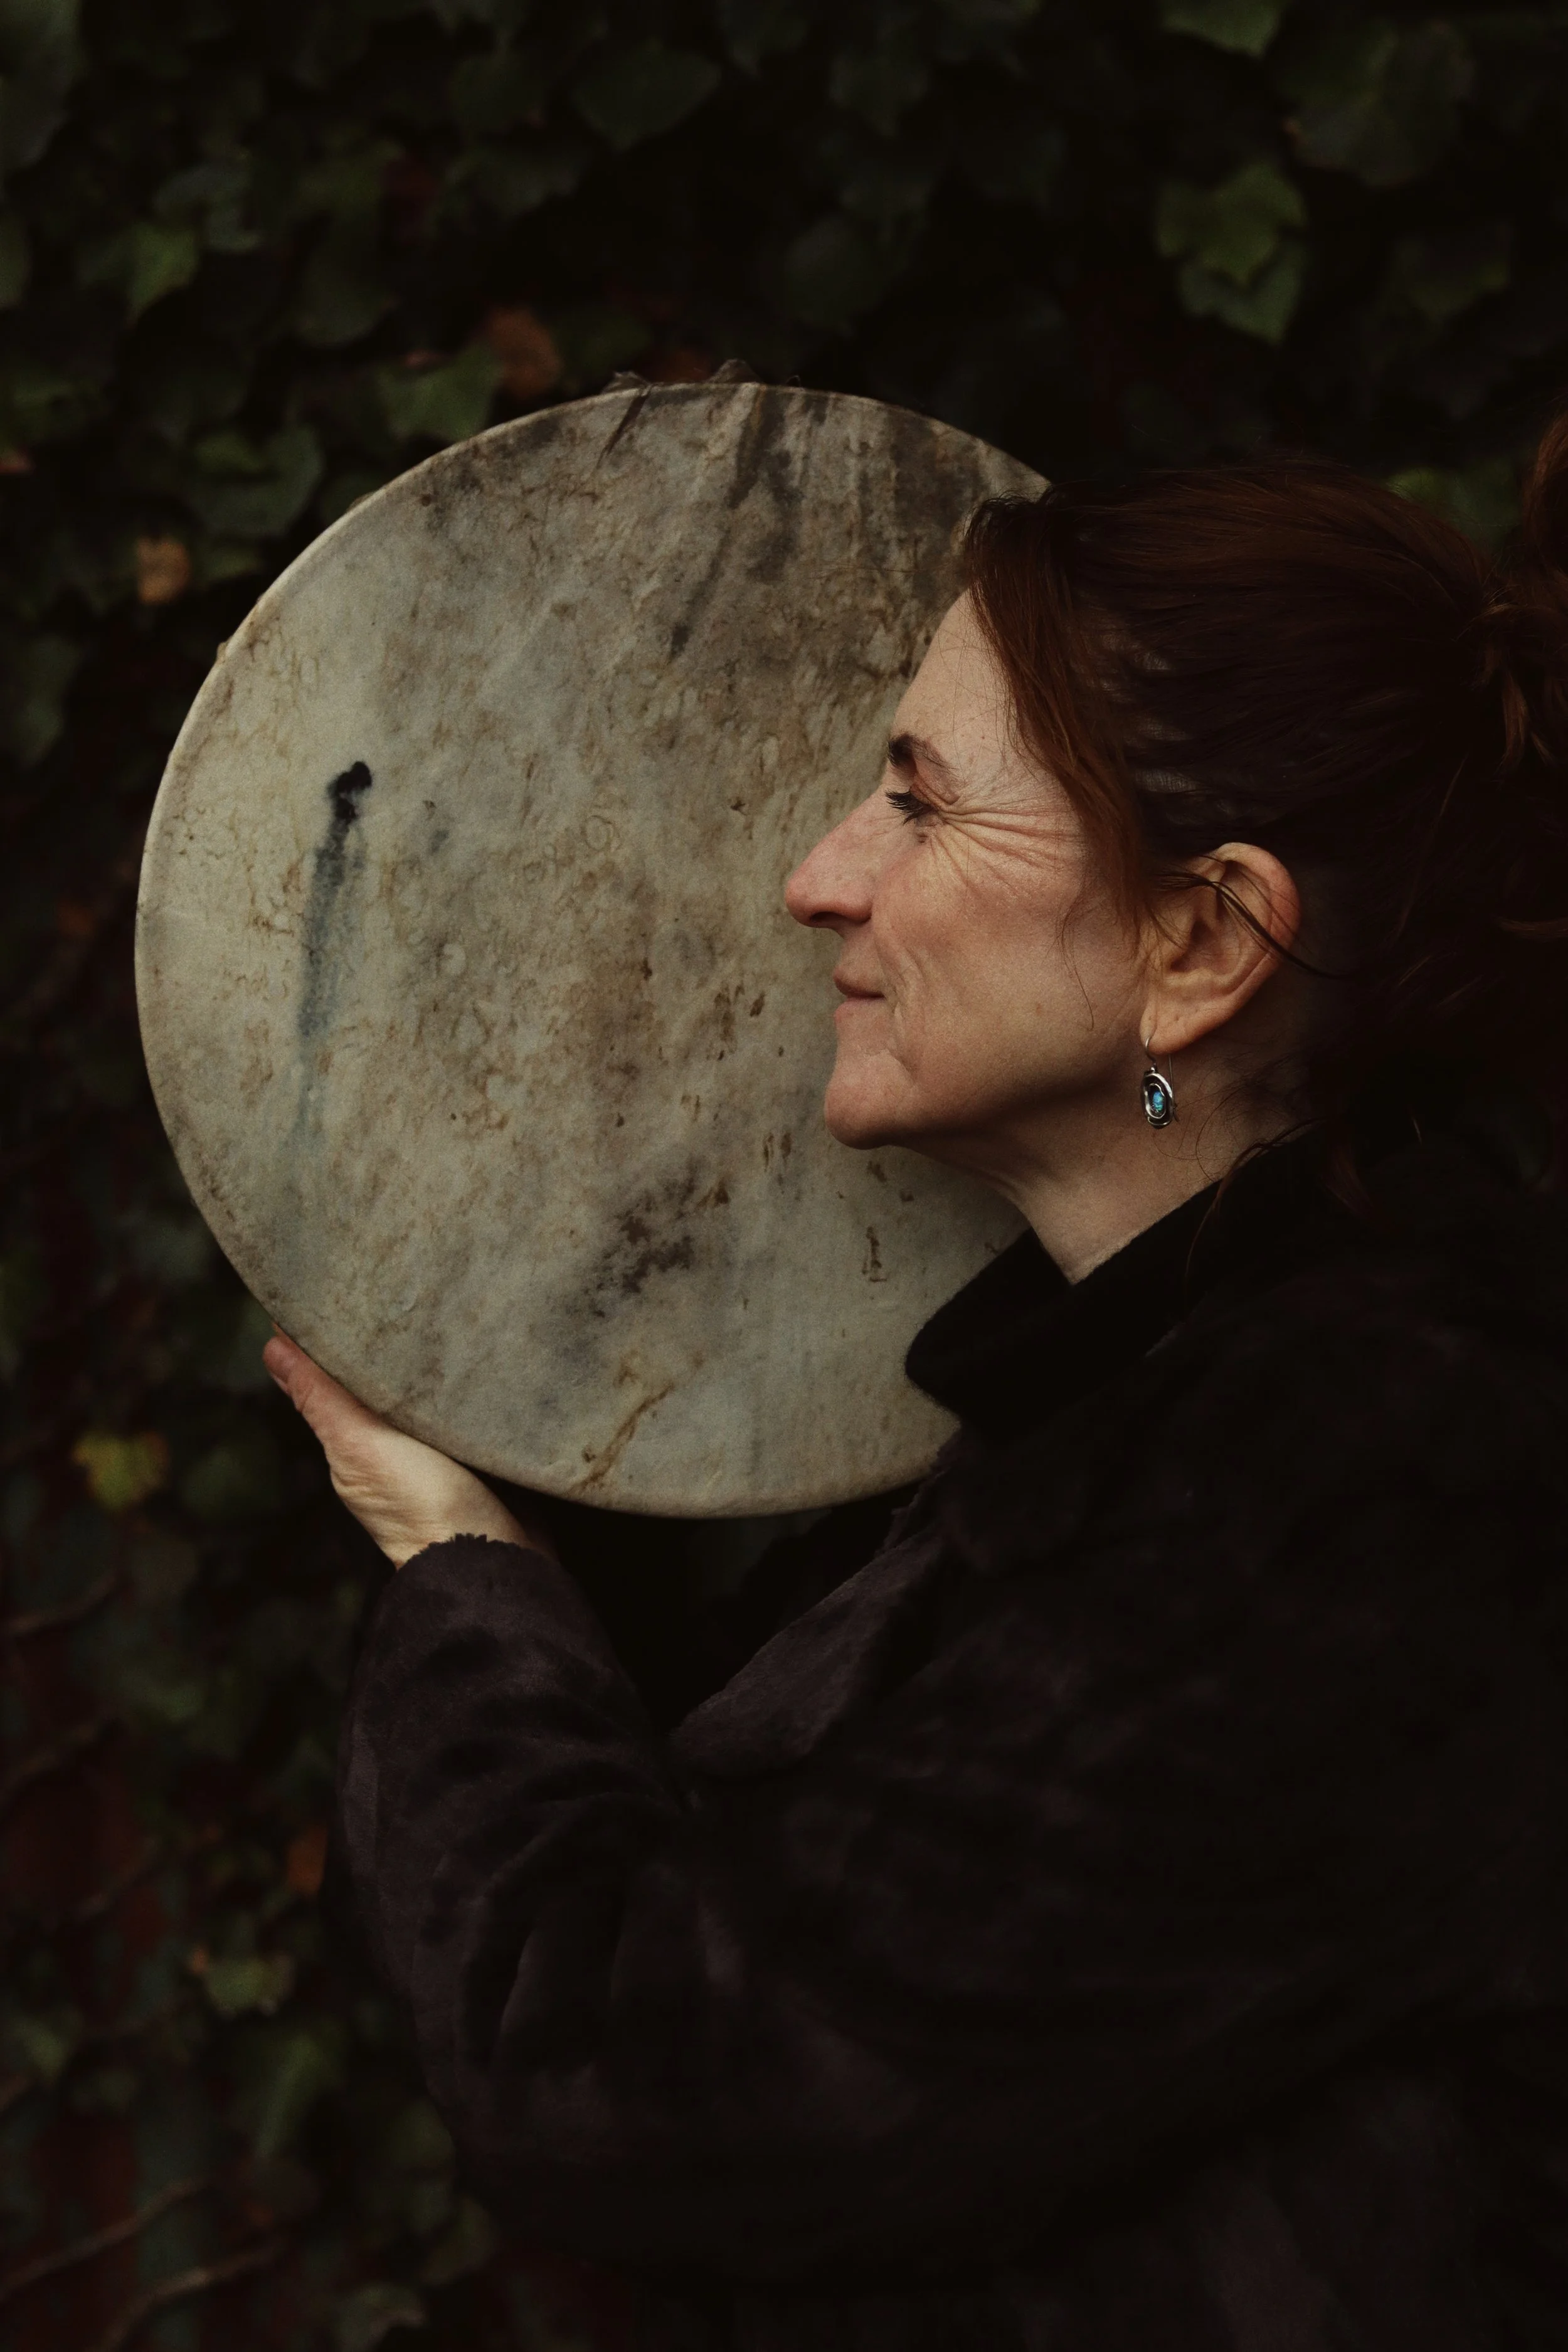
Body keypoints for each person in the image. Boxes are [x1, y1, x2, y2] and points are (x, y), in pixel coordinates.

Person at [267, 414, 1568, 2349]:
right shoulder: (1146, 1415)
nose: (813, 876)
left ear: (1200, 941)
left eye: (917, 798)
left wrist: (459, 1573)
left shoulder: (1370, 1489)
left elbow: (660, 2085)